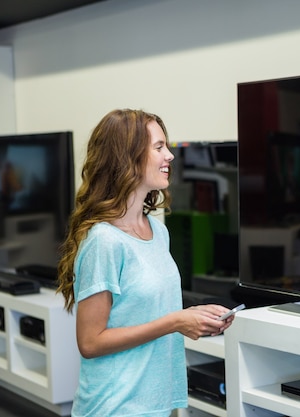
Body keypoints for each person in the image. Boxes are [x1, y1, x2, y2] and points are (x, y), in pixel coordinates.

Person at [56, 109, 234, 417]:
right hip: (115, 406)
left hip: (154, 402)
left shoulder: (158, 232)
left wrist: (192, 317)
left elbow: (146, 312)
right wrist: (176, 322)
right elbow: (90, 342)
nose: (170, 156)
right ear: (127, 158)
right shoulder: (104, 240)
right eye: (158, 147)